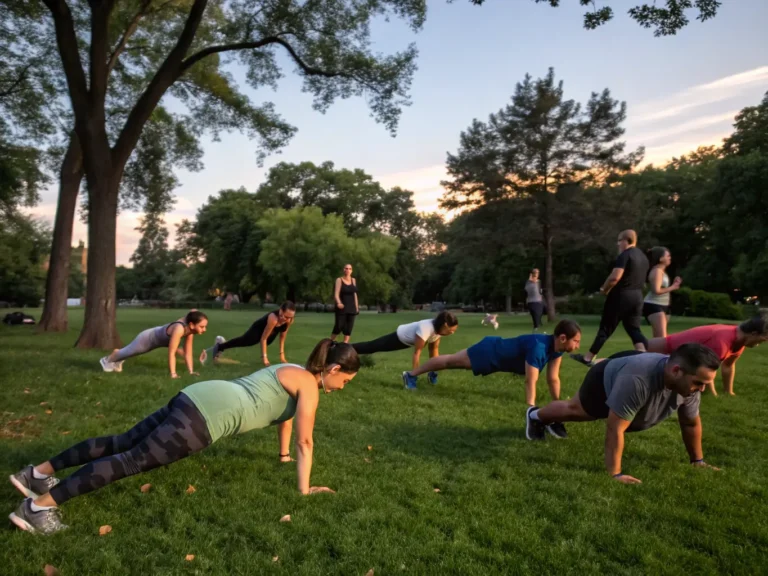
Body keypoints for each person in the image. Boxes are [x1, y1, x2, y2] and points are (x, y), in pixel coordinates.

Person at [8, 339, 360, 535]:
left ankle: (36, 475)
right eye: (344, 381)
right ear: (332, 369)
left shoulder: (295, 371)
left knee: (122, 442)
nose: (341, 388)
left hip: (198, 394)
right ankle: (36, 508)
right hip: (206, 419)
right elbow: (306, 441)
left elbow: (286, 423)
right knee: (129, 461)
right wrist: (303, 489)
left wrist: (283, 457)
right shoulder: (310, 388)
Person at [525, 344, 722, 484]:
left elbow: (690, 423)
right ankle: (535, 416)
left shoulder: (690, 386)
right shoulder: (638, 380)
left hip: (630, 365)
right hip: (604, 377)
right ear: (677, 371)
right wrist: (615, 474)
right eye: (699, 383)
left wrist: (698, 461)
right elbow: (615, 427)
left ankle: (549, 419)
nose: (702, 389)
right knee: (577, 411)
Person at [402, 320, 582, 434]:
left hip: (497, 357)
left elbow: (553, 379)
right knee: (451, 361)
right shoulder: (539, 347)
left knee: (451, 362)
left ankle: (430, 370)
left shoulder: (556, 350)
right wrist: (531, 411)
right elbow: (530, 380)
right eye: (576, 341)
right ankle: (410, 375)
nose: (578, 346)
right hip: (490, 352)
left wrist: (557, 407)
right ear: (564, 338)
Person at [572, 230, 649, 367]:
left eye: (619, 241)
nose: (618, 244)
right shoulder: (643, 257)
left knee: (606, 327)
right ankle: (643, 353)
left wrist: (604, 289)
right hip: (637, 296)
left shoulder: (625, 255)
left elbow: (615, 277)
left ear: (627, 240)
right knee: (633, 328)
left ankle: (588, 358)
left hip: (621, 295)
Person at [647, 312, 768, 396]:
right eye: (762, 340)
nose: (759, 344)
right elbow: (706, 369)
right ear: (753, 333)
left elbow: (728, 366)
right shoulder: (722, 342)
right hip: (658, 354)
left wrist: (728, 392)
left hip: (668, 356)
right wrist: (714, 394)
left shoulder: (739, 341)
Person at [100, 310, 208, 378]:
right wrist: (173, 374)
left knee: (129, 353)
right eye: (202, 327)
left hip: (156, 341)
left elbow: (187, 354)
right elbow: (171, 354)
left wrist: (191, 371)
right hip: (148, 338)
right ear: (192, 325)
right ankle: (107, 360)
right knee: (130, 351)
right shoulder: (179, 329)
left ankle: (118, 358)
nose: (204, 330)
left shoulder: (190, 332)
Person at [352, 312, 459, 380]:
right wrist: (414, 375)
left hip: (407, 342)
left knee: (372, 347)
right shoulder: (426, 328)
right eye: (451, 330)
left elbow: (433, 350)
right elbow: (417, 353)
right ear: (445, 325)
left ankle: (345, 348)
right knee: (371, 347)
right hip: (398, 338)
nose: (452, 333)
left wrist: (434, 370)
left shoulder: (438, 331)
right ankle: (345, 348)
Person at [201, 302, 295, 366]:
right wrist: (264, 359)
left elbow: (282, 337)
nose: (287, 319)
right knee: (243, 341)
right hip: (258, 329)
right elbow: (263, 338)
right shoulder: (273, 318)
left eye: (290, 317)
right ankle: (220, 346)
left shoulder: (289, 321)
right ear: (281, 311)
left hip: (271, 333)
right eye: (286, 316)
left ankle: (221, 344)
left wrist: (282, 356)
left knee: (267, 342)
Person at [643, 246, 682, 338]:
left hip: (663, 305)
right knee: (662, 338)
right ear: (661, 259)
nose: (670, 258)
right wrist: (673, 287)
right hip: (654, 305)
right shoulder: (657, 271)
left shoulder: (661, 271)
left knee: (659, 338)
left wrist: (674, 284)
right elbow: (656, 290)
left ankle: (652, 352)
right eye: (667, 256)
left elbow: (663, 288)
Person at [331, 264, 358, 343]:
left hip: (351, 307)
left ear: (351, 271)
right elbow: (336, 293)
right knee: (339, 326)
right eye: (346, 268)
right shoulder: (339, 280)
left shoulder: (353, 280)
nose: (348, 270)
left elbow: (355, 294)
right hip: (342, 307)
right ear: (344, 270)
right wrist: (339, 303)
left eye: (350, 269)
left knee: (348, 328)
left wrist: (356, 307)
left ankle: (345, 345)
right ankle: (331, 342)